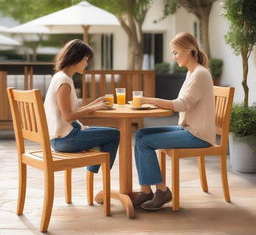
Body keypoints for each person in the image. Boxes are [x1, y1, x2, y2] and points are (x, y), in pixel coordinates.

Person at [133, 32, 216, 211]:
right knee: (140, 134)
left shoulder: (200, 74)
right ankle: (146, 190)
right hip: (187, 129)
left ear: (189, 50)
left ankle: (161, 191)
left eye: (176, 52)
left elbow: (180, 105)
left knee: (145, 141)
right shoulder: (192, 72)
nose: (174, 56)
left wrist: (149, 99)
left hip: (198, 135)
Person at [44, 39, 120, 174]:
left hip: (60, 137)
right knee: (114, 134)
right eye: (85, 59)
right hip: (65, 139)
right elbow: (68, 116)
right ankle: (102, 176)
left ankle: (94, 171)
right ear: (75, 57)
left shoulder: (60, 77)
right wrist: (93, 108)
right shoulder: (64, 81)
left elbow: (68, 111)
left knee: (107, 133)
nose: (86, 63)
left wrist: (94, 103)